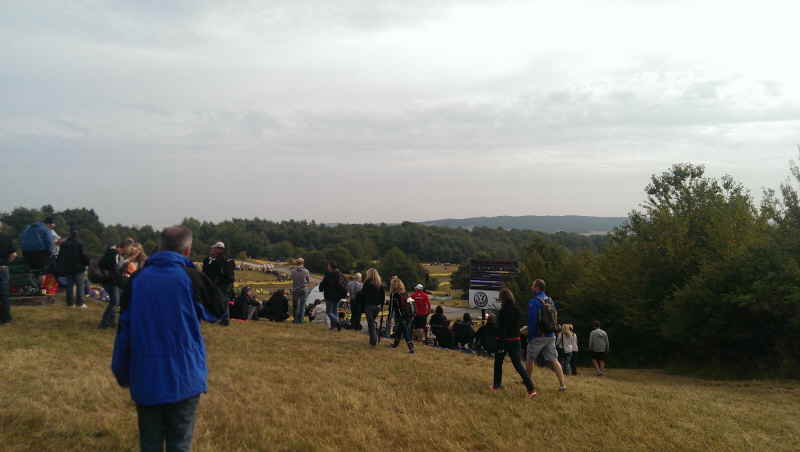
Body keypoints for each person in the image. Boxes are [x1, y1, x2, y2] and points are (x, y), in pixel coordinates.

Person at [111, 225, 227, 452]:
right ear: (187, 251)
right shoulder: (190, 277)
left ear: (159, 247)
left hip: (145, 375)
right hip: (184, 377)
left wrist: (121, 370)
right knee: (179, 443)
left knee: (150, 443)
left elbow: (124, 329)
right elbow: (219, 311)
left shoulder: (137, 280)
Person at [491, 289, 537, 398]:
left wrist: (500, 342)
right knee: (518, 365)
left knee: (498, 363)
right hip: (516, 340)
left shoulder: (503, 311)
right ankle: (531, 388)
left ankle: (496, 385)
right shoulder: (517, 309)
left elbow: (502, 328)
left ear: (503, 298)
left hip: (504, 341)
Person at [525, 279, 567, 392]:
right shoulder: (549, 300)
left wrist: (530, 336)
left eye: (533, 285)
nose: (531, 287)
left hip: (538, 336)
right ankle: (562, 384)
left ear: (537, 287)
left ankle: (527, 381)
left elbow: (533, 321)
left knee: (530, 358)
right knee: (554, 359)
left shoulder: (534, 301)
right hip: (550, 334)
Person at [98, 238, 135, 329]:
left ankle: (111, 322)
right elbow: (116, 269)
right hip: (111, 281)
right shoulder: (114, 254)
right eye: (130, 248)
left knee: (115, 301)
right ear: (125, 247)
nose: (130, 250)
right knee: (114, 302)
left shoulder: (112, 253)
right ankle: (104, 323)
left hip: (110, 280)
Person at [56, 228, 91, 308]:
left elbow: (61, 256)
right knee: (80, 286)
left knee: (69, 286)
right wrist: (87, 263)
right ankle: (80, 303)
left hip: (68, 268)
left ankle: (70, 303)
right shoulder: (80, 244)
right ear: (77, 235)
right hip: (79, 268)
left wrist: (61, 267)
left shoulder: (64, 244)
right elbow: (84, 255)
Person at [19, 217, 55, 290]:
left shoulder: (28, 228)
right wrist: (50, 253)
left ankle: (33, 288)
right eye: (51, 226)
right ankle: (42, 291)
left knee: (33, 271)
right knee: (43, 272)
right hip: (40, 254)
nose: (51, 228)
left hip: (26, 254)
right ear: (48, 224)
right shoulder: (45, 229)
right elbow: (50, 243)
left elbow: (21, 238)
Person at [360, 268, 385, 346]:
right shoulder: (379, 284)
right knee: (372, 323)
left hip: (369, 306)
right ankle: (372, 339)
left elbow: (363, 294)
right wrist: (380, 304)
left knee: (371, 324)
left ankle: (374, 340)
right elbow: (383, 296)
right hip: (377, 307)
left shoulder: (367, 283)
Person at [388, 278, 415, 354]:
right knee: (400, 329)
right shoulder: (405, 293)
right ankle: (395, 344)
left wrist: (389, 318)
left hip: (401, 315)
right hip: (409, 314)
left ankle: (410, 346)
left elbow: (391, 307)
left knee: (405, 330)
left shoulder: (394, 295)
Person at [318, 262, 347, 330]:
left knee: (329, 312)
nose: (327, 267)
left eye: (328, 266)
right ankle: (333, 327)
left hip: (329, 295)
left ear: (331, 267)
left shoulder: (328, 274)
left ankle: (337, 322)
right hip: (338, 296)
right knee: (335, 311)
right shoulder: (340, 274)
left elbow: (323, 283)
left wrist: (321, 288)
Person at [0, 232, 17, 325]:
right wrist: (6, 263)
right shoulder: (6, 237)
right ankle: (6, 319)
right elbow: (14, 254)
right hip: (3, 268)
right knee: (4, 295)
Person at [290, 258, 311, 324]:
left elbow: (292, 278)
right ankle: (301, 320)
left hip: (295, 289)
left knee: (296, 306)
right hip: (303, 289)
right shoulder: (306, 271)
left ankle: (295, 320)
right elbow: (308, 280)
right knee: (302, 306)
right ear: (303, 263)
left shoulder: (293, 271)